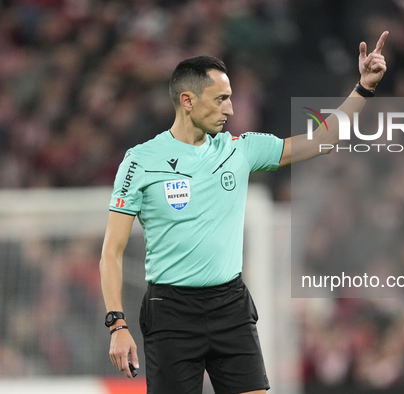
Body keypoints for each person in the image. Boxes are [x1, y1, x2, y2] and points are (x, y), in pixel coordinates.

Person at [99, 31, 388, 394]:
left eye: (231, 98)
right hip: (171, 311)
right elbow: (111, 251)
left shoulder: (240, 149)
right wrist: (117, 325)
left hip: (229, 306)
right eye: (221, 99)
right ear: (187, 101)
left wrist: (363, 89)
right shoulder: (140, 161)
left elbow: (322, 140)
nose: (230, 109)